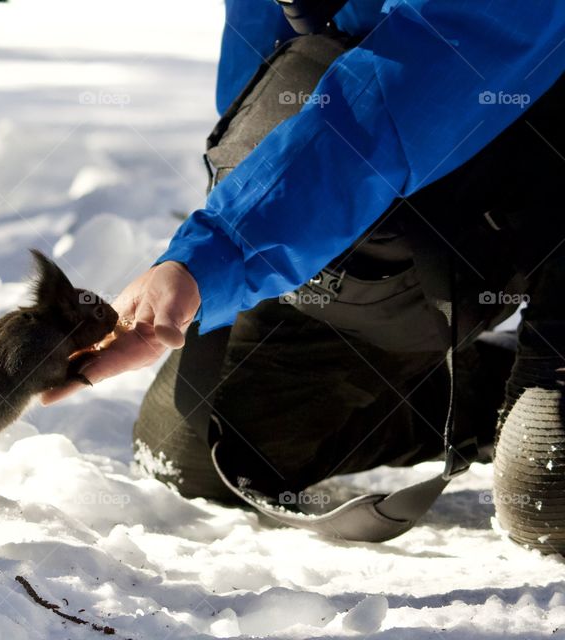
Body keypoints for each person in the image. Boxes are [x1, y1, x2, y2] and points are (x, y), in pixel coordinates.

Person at [44, 0, 565, 552]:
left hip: (494, 139)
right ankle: (489, 389)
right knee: (195, 449)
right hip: (419, 193)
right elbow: (269, 72)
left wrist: (221, 250)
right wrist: (249, 217)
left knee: (546, 496)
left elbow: (420, 81)